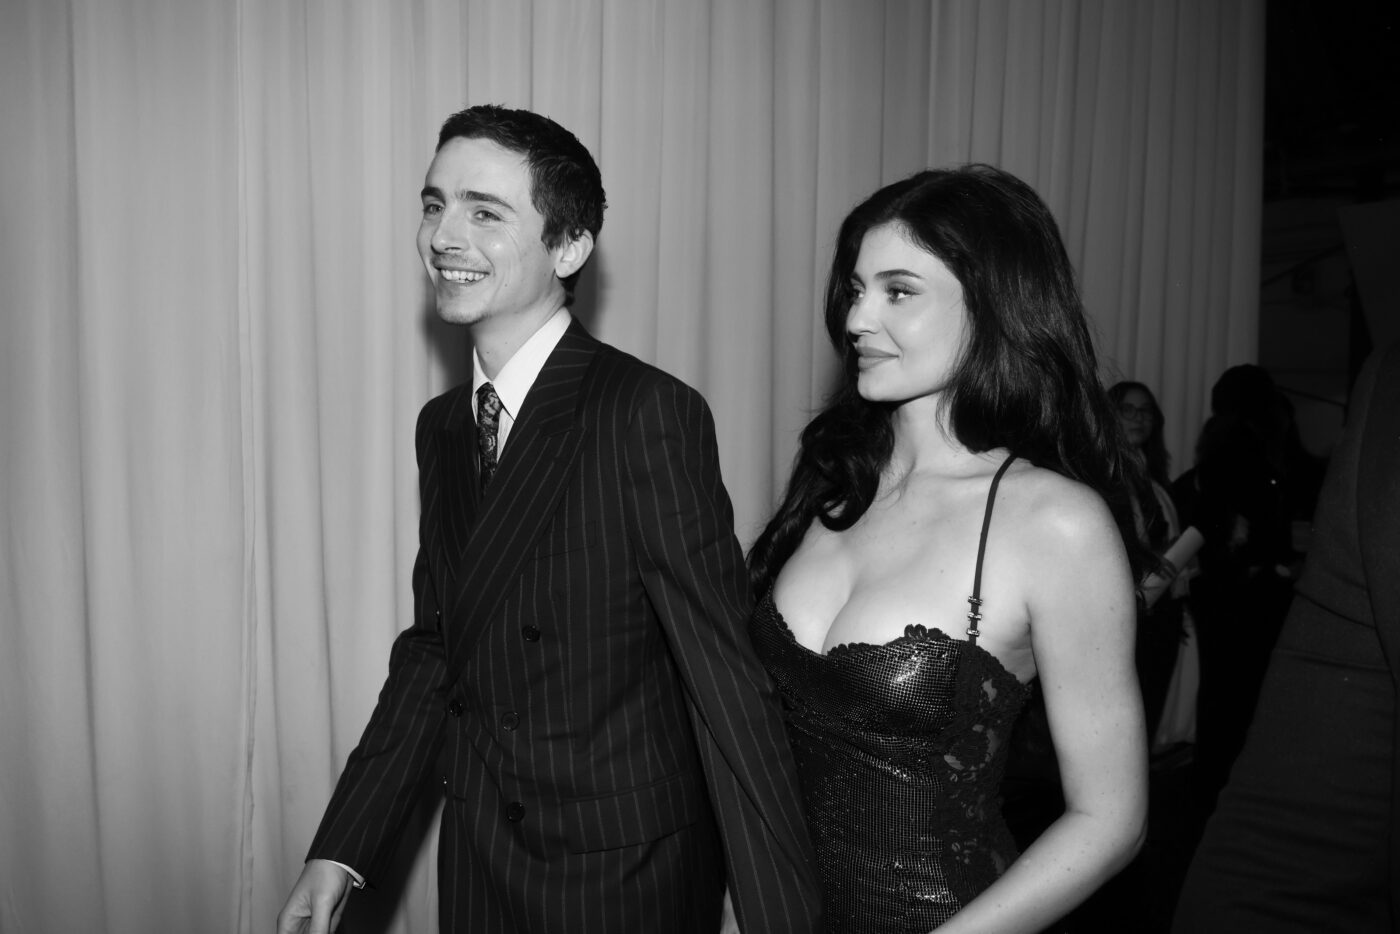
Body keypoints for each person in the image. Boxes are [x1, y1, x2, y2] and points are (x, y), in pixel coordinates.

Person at [275, 105, 821, 934]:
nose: (443, 237)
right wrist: (341, 850)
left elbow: (722, 676)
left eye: (485, 213)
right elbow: (437, 649)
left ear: (569, 248)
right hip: (480, 860)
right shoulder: (444, 427)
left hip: (621, 873)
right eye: (434, 205)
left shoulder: (643, 411)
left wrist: (779, 912)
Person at [745, 165, 1149, 933]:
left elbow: (1110, 820)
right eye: (855, 289)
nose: (858, 319)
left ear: (993, 307)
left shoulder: (1053, 523)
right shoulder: (833, 484)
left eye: (899, 291)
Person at [1171, 339, 1400, 932]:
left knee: (1228, 700)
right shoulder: (1246, 444)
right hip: (1244, 598)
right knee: (1235, 699)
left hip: (1233, 597)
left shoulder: (1228, 442)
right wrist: (1261, 562)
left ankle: (1208, 790)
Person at [1108, 380, 1191, 740]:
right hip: (1125, 613)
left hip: (1162, 609)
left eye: (1146, 411)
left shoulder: (1155, 479)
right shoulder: (1101, 477)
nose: (1139, 418)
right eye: (1128, 409)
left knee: (1151, 710)